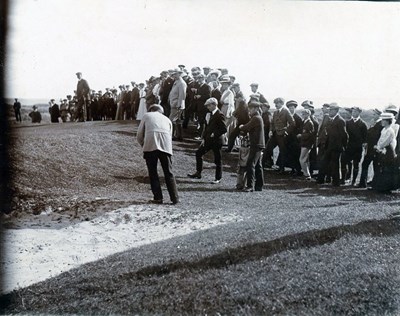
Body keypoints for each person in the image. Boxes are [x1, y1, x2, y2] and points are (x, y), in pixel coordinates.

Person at [136, 104, 179, 204]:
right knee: (169, 172)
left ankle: (158, 197)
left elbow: (139, 134)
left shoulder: (147, 115)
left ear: (151, 110)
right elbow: (170, 135)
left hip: (151, 145)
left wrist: (143, 144)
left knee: (153, 172)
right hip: (166, 146)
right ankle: (175, 198)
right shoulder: (167, 119)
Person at [187, 97, 227, 184]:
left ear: (214, 105)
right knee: (198, 153)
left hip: (217, 141)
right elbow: (207, 128)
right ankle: (198, 173)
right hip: (209, 140)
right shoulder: (210, 114)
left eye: (209, 105)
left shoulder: (220, 115)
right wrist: (204, 139)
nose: (207, 107)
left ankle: (218, 178)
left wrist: (214, 134)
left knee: (217, 159)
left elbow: (224, 129)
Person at [317, 103, 348, 187]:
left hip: (336, 147)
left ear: (336, 111)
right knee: (324, 163)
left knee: (335, 165)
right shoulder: (330, 120)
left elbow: (344, 135)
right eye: (329, 110)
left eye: (331, 110)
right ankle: (320, 180)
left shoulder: (340, 121)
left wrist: (343, 146)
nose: (329, 111)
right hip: (328, 146)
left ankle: (336, 182)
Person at [239, 101, 265, 192]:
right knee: (258, 165)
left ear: (256, 109)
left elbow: (246, 127)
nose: (249, 110)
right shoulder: (257, 117)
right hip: (259, 144)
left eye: (251, 109)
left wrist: (241, 127)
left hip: (256, 144)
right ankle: (259, 186)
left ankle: (250, 186)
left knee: (251, 164)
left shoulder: (256, 118)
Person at [264, 97, 295, 173]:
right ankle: (261, 165)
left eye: (277, 103)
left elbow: (292, 123)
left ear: (281, 103)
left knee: (282, 151)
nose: (276, 105)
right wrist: (271, 130)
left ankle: (282, 168)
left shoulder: (286, 112)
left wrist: (286, 131)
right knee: (267, 148)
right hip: (275, 134)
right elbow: (272, 123)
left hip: (282, 135)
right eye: (275, 103)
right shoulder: (275, 112)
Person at [340, 107, 368, 185]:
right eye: (353, 111)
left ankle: (353, 181)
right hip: (348, 147)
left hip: (357, 148)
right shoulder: (347, 123)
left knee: (356, 164)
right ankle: (343, 179)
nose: (353, 113)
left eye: (355, 112)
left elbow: (365, 138)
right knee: (343, 162)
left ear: (359, 113)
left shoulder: (363, 124)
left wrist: (363, 146)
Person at [371, 112, 398, 193]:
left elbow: (385, 142)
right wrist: (378, 146)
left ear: (388, 121)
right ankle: (379, 186)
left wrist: (378, 147)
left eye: (384, 120)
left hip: (388, 151)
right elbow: (380, 140)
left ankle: (386, 188)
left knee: (387, 169)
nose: (382, 122)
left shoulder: (390, 131)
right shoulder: (384, 129)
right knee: (381, 168)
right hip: (382, 151)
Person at [357, 109, 383, 188]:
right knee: (365, 164)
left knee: (375, 166)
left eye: (374, 115)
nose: (373, 116)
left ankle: (375, 184)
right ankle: (363, 183)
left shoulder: (380, 124)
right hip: (370, 149)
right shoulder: (375, 124)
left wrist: (371, 127)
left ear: (379, 115)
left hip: (375, 149)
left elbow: (374, 135)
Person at [168, 68, 187, 141]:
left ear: (179, 74)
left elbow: (182, 95)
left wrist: (179, 105)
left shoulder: (181, 83)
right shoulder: (177, 82)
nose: (174, 76)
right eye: (173, 74)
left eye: (175, 74)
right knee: (177, 121)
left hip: (177, 105)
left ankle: (172, 135)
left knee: (172, 120)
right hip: (174, 104)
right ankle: (179, 136)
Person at [298, 109, 315, 180]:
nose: (303, 115)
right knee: (306, 160)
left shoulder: (309, 123)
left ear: (308, 115)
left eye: (304, 114)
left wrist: (301, 135)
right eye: (302, 114)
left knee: (302, 159)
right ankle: (307, 174)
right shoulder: (305, 122)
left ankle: (307, 175)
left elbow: (310, 134)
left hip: (307, 144)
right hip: (304, 143)